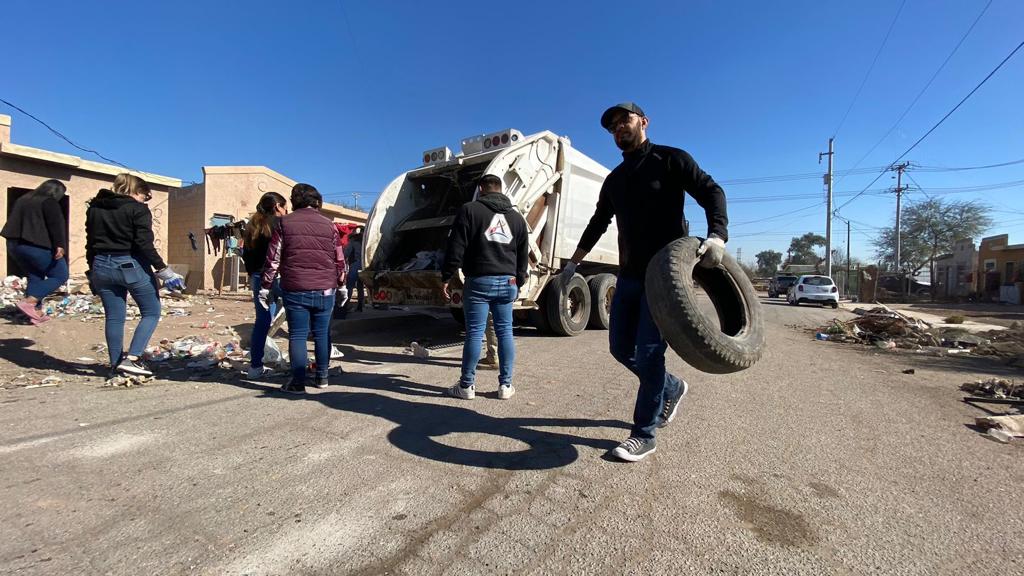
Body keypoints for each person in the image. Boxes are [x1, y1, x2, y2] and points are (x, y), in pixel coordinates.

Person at [563, 102, 728, 462]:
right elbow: (598, 222)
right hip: (629, 276)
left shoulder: (672, 160)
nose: (619, 128)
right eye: (612, 127)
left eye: (625, 120)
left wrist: (717, 235)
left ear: (644, 121)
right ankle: (672, 386)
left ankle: (644, 433)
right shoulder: (615, 180)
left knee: (650, 352)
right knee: (622, 349)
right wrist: (573, 262)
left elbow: (710, 190)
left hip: (666, 278)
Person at [85, 174, 185, 376]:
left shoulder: (95, 208)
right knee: (151, 311)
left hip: (101, 265)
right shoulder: (137, 209)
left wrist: (91, 272)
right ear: (136, 191)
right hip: (129, 264)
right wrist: (164, 271)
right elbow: (144, 244)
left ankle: (115, 365)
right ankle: (133, 358)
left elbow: (90, 242)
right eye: (145, 196)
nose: (145, 200)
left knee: (114, 317)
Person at [441, 174, 528, 400]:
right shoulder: (517, 218)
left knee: (474, 334)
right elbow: (523, 254)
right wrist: (520, 279)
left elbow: (456, 245)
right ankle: (505, 386)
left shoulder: (470, 210)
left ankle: (466, 386)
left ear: (481, 189)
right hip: (508, 281)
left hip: (479, 281)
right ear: (500, 190)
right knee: (505, 332)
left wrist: (447, 276)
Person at [261, 183, 347, 395]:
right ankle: (322, 378)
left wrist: (265, 287)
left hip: (295, 288)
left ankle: (298, 382)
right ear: (316, 201)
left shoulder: (284, 223)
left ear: (294, 201)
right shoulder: (329, 225)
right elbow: (339, 259)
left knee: (298, 335)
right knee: (321, 334)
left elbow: (273, 259)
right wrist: (343, 286)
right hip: (326, 289)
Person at [1, 179, 70, 325]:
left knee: (35, 275)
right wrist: (59, 245)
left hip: (14, 245)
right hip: (36, 246)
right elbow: (55, 225)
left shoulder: (24, 199)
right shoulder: (48, 202)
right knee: (60, 275)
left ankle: (35, 314)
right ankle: (29, 302)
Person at [241, 191, 287, 379]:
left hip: (259, 279)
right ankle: (298, 365)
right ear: (277, 207)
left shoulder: (253, 226)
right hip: (279, 277)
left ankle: (255, 366)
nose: (286, 211)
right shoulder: (281, 224)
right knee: (297, 320)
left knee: (262, 323)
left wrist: (254, 275)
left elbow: (246, 254)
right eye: (285, 207)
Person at [342, 226, 365, 315]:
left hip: (354, 265)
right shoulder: (365, 242)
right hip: (363, 266)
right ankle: (360, 306)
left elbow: (346, 253)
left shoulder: (353, 241)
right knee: (360, 286)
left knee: (350, 286)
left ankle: (346, 306)